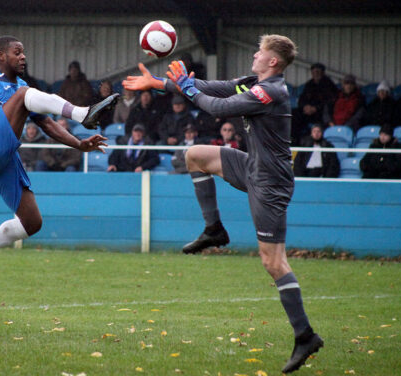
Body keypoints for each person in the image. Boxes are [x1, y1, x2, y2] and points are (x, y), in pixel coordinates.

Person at [123, 33, 323, 374]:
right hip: (252, 166)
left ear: (273, 61)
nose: (255, 56)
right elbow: (213, 87)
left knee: (273, 263)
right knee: (195, 155)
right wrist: (157, 83)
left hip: (270, 182)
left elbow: (218, 108)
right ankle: (214, 229)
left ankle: (305, 335)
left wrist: (186, 88)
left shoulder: (270, 91)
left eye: (260, 52)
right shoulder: (252, 82)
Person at [0, 35, 118, 288]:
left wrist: (79, 144)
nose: (23, 56)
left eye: (24, 52)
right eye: (17, 52)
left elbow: (46, 123)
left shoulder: (23, 88)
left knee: (31, 223)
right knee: (24, 94)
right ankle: (83, 113)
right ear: (0, 56)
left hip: (4, 161)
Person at [291, 62, 338, 145]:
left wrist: (315, 108)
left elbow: (330, 101)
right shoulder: (309, 84)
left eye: (318, 72)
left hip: (320, 113)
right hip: (308, 112)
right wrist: (305, 107)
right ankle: (294, 141)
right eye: (314, 72)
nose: (316, 74)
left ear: (322, 72)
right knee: (294, 114)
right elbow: (302, 99)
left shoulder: (329, 85)